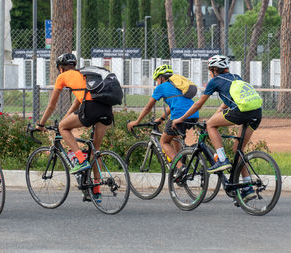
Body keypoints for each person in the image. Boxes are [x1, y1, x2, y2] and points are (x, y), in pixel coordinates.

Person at [172, 55, 262, 202]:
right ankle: (247, 187)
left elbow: (198, 104)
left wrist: (181, 119)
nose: (210, 73)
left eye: (210, 70)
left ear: (214, 70)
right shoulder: (236, 77)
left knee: (210, 125)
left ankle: (222, 159)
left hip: (240, 111)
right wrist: (214, 117)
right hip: (256, 112)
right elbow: (227, 102)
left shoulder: (214, 81)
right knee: (237, 150)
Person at [36, 53, 114, 202]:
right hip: (106, 109)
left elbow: (52, 105)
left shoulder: (63, 76)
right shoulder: (84, 75)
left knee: (63, 128)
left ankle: (80, 160)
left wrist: (41, 124)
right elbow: (76, 103)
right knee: (94, 152)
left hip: (91, 108)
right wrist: (66, 118)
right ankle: (96, 193)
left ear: (60, 68)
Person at [127, 64, 199, 168]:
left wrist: (137, 121)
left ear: (161, 78)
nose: (157, 82)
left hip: (179, 115)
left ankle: (180, 168)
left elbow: (148, 107)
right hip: (194, 114)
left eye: (157, 79)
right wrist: (161, 119)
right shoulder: (177, 86)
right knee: (174, 137)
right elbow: (174, 103)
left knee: (164, 141)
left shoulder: (161, 87)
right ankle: (180, 162)